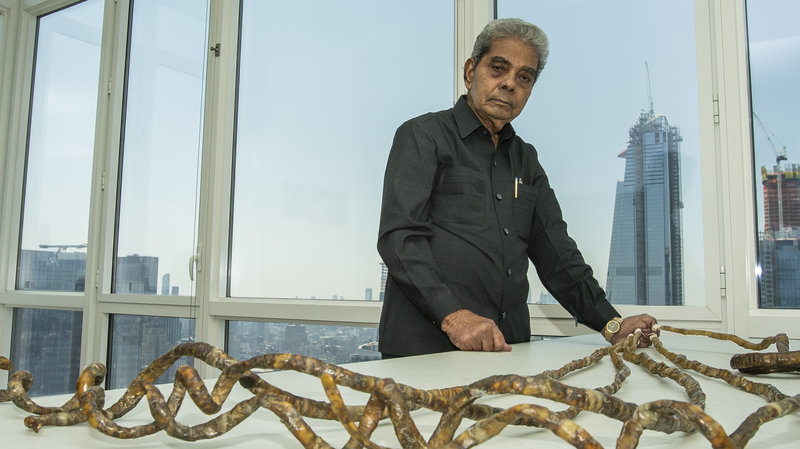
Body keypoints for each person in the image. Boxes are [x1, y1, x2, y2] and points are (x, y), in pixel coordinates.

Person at [377, 18, 658, 358]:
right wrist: (454, 317)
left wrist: (612, 324)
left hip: (509, 352)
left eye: (525, 77)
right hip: (424, 354)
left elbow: (558, 256)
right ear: (470, 72)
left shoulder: (527, 160)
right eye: (498, 68)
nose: (510, 84)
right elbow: (400, 238)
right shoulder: (423, 136)